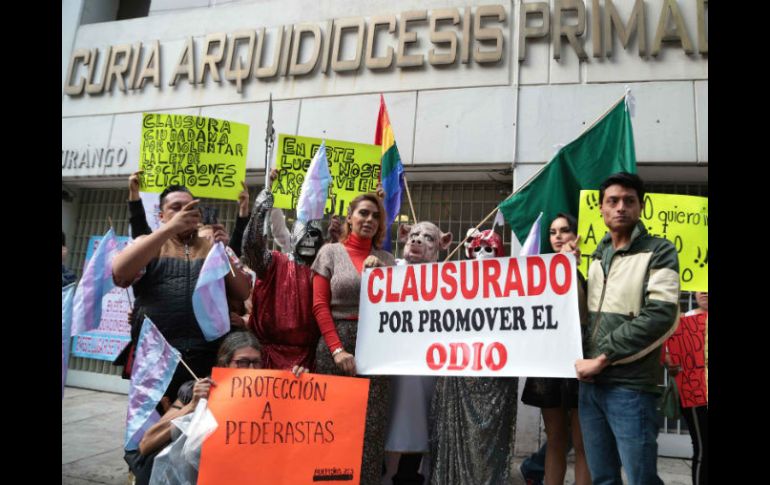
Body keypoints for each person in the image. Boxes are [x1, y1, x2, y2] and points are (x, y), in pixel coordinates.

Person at [575, 172, 680, 485]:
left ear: (641, 206)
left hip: (631, 388)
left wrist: (604, 356)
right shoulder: (597, 254)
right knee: (604, 478)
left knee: (640, 478)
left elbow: (660, 316)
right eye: (613, 201)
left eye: (629, 201)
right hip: (591, 386)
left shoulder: (660, 251)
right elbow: (583, 315)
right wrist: (568, 273)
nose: (621, 207)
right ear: (601, 209)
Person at [112, 185, 252, 402]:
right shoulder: (147, 244)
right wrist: (168, 230)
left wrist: (222, 252)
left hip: (207, 356)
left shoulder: (213, 247)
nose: (183, 212)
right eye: (175, 208)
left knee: (200, 427)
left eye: (189, 208)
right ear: (161, 215)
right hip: (156, 359)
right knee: (153, 430)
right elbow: (120, 274)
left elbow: (243, 291)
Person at [135, 331, 307, 485]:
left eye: (256, 362)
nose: (251, 369)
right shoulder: (196, 390)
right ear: (225, 364)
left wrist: (299, 388)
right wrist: (193, 406)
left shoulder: (270, 396)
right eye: (242, 362)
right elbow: (146, 443)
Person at [311, 193, 396, 485]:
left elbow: (397, 306)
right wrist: (337, 350)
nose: (369, 220)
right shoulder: (330, 252)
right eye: (363, 213)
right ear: (350, 217)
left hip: (376, 350)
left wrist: (385, 276)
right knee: (334, 428)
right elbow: (320, 306)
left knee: (370, 432)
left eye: (375, 216)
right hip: (337, 344)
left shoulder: (387, 259)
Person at [429, 228, 518, 485]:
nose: (481, 253)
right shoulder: (456, 282)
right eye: (477, 248)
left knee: (492, 438)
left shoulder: (512, 283)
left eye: (488, 248)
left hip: (496, 377)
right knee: (457, 436)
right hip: (461, 374)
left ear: (499, 251)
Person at [520, 213, 590, 485]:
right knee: (556, 441)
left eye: (564, 230)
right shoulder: (539, 274)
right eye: (552, 231)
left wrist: (570, 267)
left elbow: (583, 313)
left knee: (583, 444)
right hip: (549, 364)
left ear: (576, 235)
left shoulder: (587, 269)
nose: (558, 236)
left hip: (579, 363)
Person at [385, 222, 452, 485]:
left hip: (425, 363)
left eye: (428, 238)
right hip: (391, 359)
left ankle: (409, 474)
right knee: (387, 414)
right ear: (403, 237)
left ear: (441, 245)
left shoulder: (448, 279)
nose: (417, 241)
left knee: (418, 419)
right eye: (413, 235)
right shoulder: (388, 271)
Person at [241, 183, 323, 371]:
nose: (309, 239)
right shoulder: (275, 262)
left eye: (314, 234)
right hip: (267, 358)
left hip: (309, 361)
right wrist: (259, 212)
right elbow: (251, 251)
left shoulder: (324, 267)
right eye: (306, 233)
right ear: (293, 235)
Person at [664, 291, 708, 485]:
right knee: (703, 448)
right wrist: (671, 364)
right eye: (700, 286)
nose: (704, 291)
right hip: (696, 396)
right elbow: (667, 357)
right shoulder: (683, 323)